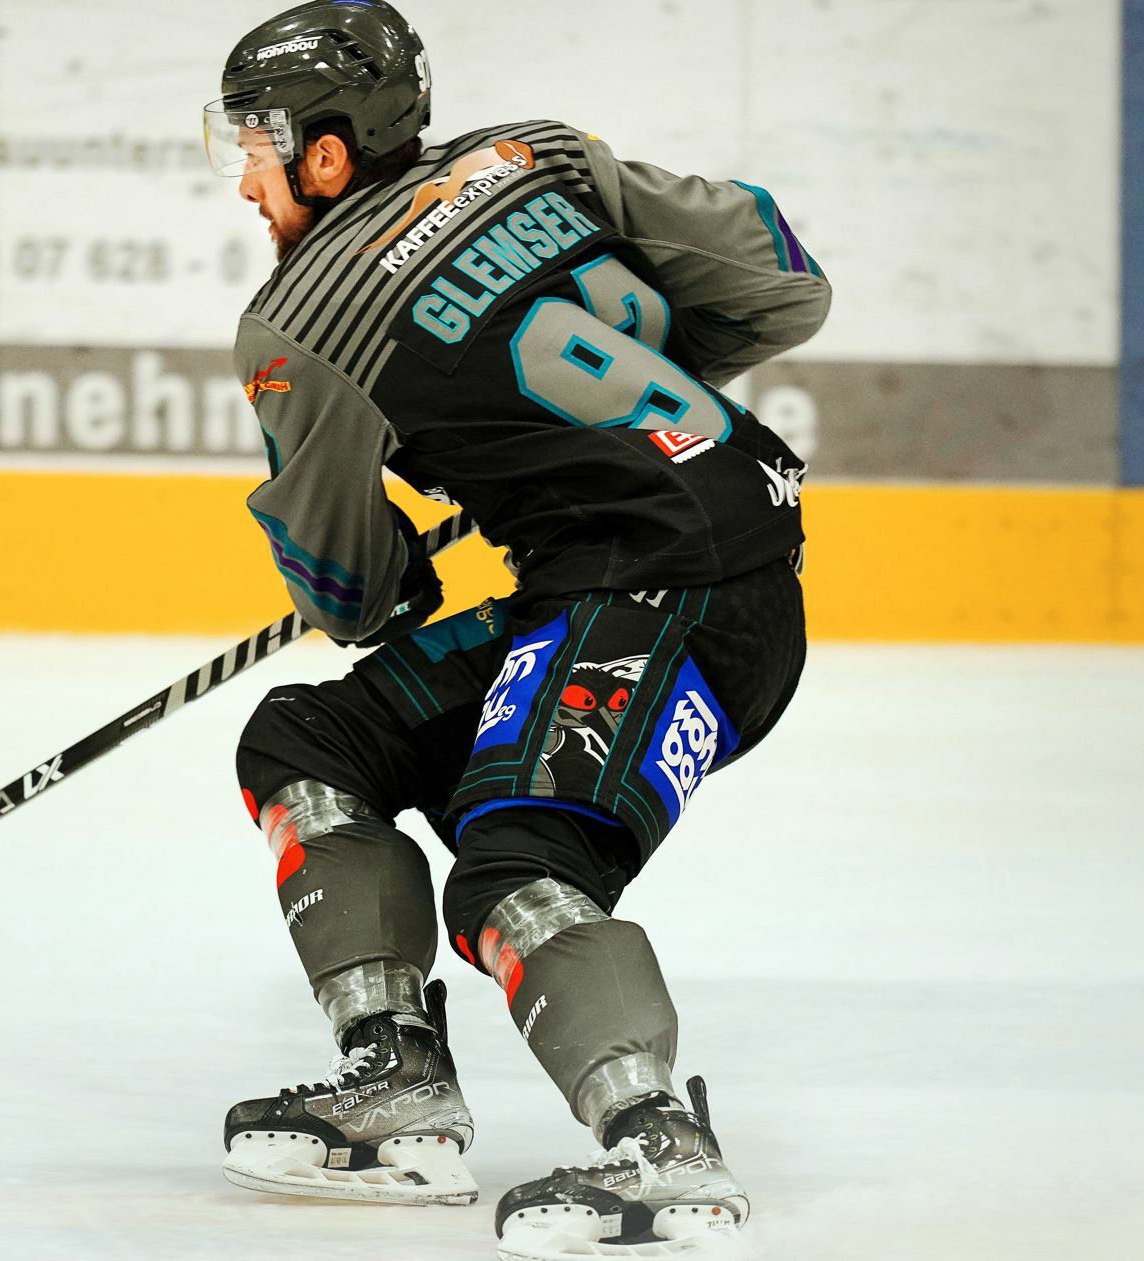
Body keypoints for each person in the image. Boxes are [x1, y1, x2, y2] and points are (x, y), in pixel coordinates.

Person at [201, 3, 830, 1256]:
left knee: (520, 861)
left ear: (328, 155)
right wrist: (596, 424)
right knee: (313, 744)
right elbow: (781, 276)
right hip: (684, 556)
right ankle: (395, 1077)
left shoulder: (301, 321)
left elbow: (349, 591)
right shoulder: (538, 156)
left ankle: (660, 1150)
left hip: (659, 588)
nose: (247, 177)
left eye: (260, 145)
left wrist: (414, 541)